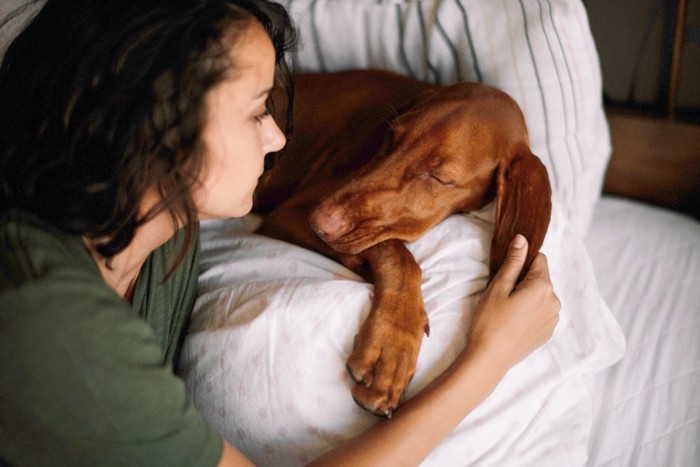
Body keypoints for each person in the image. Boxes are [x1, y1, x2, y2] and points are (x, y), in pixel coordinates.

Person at [0, 0, 561, 465]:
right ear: (154, 123)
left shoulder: (164, 234)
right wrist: (489, 359)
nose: (277, 139)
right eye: (255, 112)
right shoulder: (54, 325)